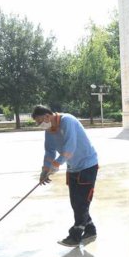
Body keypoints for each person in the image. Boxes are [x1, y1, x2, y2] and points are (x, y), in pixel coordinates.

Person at [32, 105, 99, 247]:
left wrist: (55, 166)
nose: (39, 125)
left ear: (47, 116)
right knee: (76, 202)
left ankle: (75, 236)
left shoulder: (67, 121)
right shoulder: (49, 130)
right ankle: (90, 229)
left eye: (39, 122)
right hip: (73, 167)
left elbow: (70, 148)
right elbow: (49, 151)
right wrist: (45, 170)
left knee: (82, 202)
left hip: (87, 165)